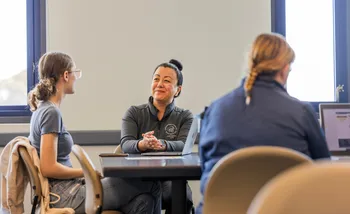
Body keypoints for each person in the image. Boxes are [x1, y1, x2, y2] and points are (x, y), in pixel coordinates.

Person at [196, 33, 331, 213]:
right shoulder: (301, 112)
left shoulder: (215, 110)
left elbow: (205, 167)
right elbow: (323, 169)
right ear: (284, 69)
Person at [28, 52, 161, 214]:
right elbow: (48, 168)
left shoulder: (43, 109)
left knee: (144, 201)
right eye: (75, 73)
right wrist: (88, 173)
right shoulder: (51, 113)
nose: (77, 78)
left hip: (69, 189)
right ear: (65, 75)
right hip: (66, 196)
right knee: (154, 184)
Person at [120, 59, 194, 214]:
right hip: (139, 180)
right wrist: (142, 144)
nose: (159, 84)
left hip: (170, 179)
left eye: (166, 81)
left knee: (183, 197)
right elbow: (126, 144)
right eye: (156, 79)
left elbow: (184, 145)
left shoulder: (185, 116)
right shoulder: (134, 113)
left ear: (178, 90)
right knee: (146, 200)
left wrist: (162, 144)